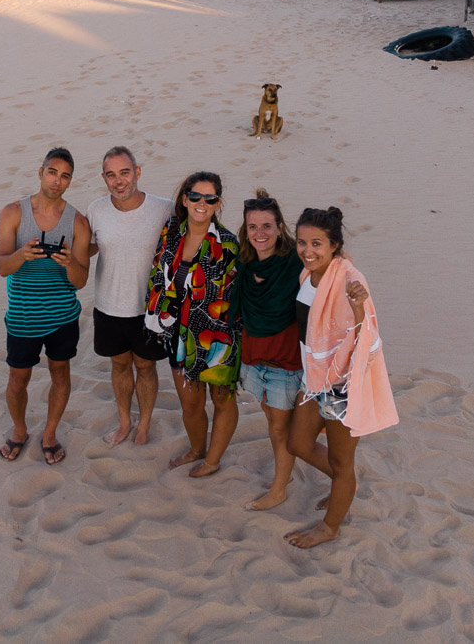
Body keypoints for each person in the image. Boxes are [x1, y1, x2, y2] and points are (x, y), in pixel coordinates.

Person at [284, 207, 397, 548]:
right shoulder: (310, 275)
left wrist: (359, 305)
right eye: (302, 242)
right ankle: (344, 487)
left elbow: (366, 331)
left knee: (340, 461)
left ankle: (331, 524)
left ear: (334, 245)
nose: (308, 251)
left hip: (341, 386)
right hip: (314, 379)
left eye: (317, 243)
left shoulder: (349, 280)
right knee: (298, 444)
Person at [0, 147, 91, 465]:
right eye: (52, 172)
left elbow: (79, 282)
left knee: (60, 374)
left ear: (69, 182)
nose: (57, 181)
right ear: (40, 172)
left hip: (62, 316)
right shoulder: (13, 213)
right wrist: (21, 255)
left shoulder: (77, 222)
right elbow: (2, 267)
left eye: (65, 176)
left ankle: (49, 433)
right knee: (17, 379)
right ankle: (20, 429)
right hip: (23, 316)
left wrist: (68, 263)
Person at [144, 171, 241, 477]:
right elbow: (158, 273)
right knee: (190, 405)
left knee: (221, 401)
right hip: (177, 334)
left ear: (218, 203)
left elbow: (237, 295)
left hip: (218, 338)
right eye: (196, 197)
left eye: (210, 198)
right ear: (185, 199)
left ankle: (212, 461)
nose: (202, 203)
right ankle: (197, 449)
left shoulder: (228, 244)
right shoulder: (171, 231)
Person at [86, 146, 175, 446]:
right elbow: (86, 250)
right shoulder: (96, 210)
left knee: (146, 367)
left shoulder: (164, 209)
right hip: (109, 306)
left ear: (137, 172)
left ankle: (145, 424)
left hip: (149, 309)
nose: (119, 181)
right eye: (111, 175)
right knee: (120, 366)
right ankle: (125, 421)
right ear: (104, 178)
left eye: (125, 172)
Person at [230, 189, 304, 510]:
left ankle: (278, 490)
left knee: (280, 425)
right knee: (271, 421)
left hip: (285, 361)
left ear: (280, 227)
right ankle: (283, 474)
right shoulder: (244, 263)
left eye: (267, 226)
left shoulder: (295, 264)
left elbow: (329, 268)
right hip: (253, 357)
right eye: (253, 227)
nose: (260, 233)